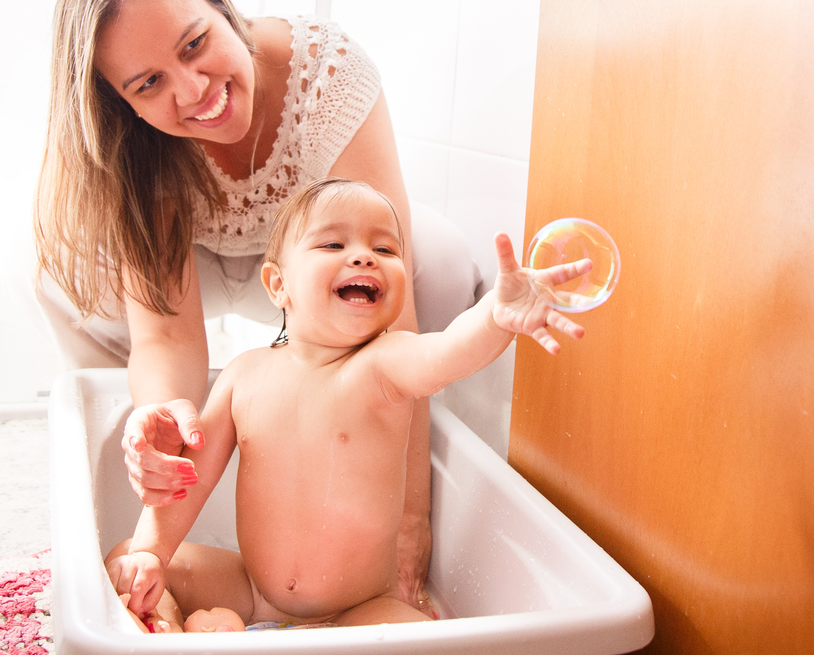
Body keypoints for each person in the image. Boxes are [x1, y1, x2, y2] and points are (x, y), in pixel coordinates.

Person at [0, 0, 484, 611]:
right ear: (121, 102)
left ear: (224, 7)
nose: (194, 91)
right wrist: (166, 412)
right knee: (37, 250)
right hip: (203, 260)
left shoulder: (328, 78)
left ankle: (351, 412)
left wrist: (412, 519)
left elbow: (401, 320)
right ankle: (114, 442)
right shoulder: (139, 147)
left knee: (440, 263)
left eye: (194, 45)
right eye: (148, 84)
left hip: (312, 257)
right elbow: (166, 337)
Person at [105, 178, 589, 631]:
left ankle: (227, 639)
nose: (364, 258)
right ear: (278, 285)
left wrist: (496, 317)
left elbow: (447, 354)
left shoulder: (384, 366)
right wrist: (152, 552)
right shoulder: (243, 376)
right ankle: (165, 627)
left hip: (357, 610)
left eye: (385, 248)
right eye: (334, 245)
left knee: (429, 642)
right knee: (124, 560)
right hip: (253, 591)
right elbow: (191, 480)